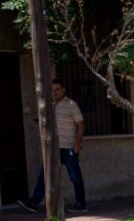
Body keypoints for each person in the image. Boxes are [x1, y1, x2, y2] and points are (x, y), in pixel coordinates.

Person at [19, 78, 89, 213]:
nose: (54, 92)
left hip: (68, 147)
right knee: (45, 175)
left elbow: (81, 125)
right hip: (53, 148)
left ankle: (81, 204)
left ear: (63, 90)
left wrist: (77, 143)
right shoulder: (50, 105)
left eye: (57, 89)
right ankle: (34, 203)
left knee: (75, 176)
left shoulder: (71, 105)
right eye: (52, 90)